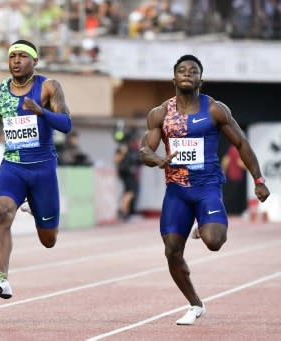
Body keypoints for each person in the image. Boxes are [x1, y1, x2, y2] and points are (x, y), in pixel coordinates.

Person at [138, 54, 270, 325]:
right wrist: (156, 159)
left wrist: (258, 179)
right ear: (173, 78)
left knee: (214, 242)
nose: (187, 74)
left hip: (207, 187)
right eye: (182, 71)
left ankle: (203, 224)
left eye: (193, 71)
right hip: (176, 191)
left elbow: (242, 143)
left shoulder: (214, 109)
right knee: (172, 251)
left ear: (201, 79)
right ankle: (195, 303)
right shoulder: (160, 114)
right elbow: (144, 149)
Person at [0, 39, 72, 299]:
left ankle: (35, 207)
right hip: (12, 166)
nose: (17, 61)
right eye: (13, 56)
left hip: (43, 169)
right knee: (3, 211)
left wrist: (41, 112)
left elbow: (66, 124)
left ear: (35, 61)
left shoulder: (48, 87)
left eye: (23, 56)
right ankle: (2, 279)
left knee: (49, 240)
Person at [114, 141, 139, 220]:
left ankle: (125, 212)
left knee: (129, 192)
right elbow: (116, 160)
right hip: (126, 173)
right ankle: (122, 210)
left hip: (127, 173)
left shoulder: (130, 151)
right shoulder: (123, 149)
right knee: (129, 192)